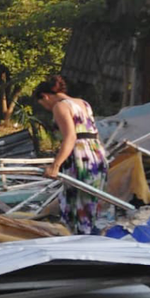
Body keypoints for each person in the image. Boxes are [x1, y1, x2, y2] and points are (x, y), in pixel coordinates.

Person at [33, 75, 111, 235]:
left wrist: (55, 166)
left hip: (80, 157)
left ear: (45, 96)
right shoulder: (83, 103)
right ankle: (89, 233)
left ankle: (79, 239)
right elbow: (92, 132)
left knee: (76, 202)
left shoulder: (60, 107)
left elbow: (70, 137)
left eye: (43, 103)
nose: (46, 107)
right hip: (97, 154)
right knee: (90, 200)